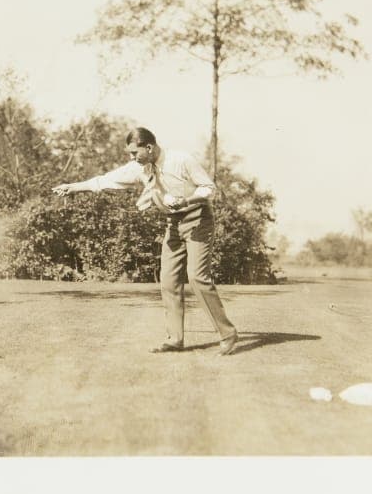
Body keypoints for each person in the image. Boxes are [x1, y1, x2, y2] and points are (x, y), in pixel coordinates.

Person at [53, 127, 239, 356]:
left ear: (148, 148)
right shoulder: (141, 167)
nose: (132, 158)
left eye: (134, 153)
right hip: (173, 224)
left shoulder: (181, 160)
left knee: (197, 277)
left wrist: (186, 200)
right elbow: (106, 180)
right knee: (168, 281)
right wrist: (73, 188)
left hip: (199, 219)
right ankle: (174, 339)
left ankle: (227, 334)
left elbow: (209, 188)